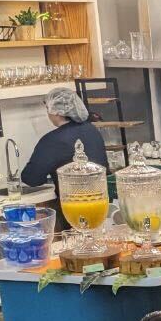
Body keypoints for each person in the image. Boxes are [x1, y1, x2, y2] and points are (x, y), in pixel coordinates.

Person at [22, 88, 109, 227]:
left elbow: (31, 178)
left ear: (56, 111)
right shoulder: (92, 130)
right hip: (101, 206)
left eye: (47, 109)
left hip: (73, 211)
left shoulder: (52, 140)